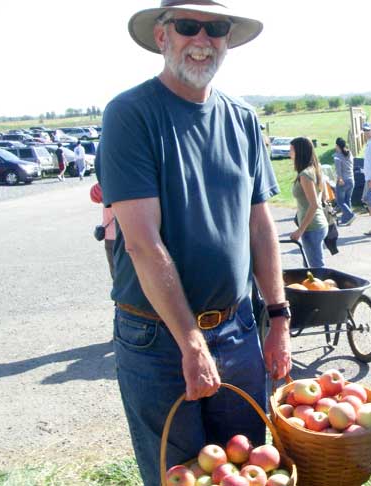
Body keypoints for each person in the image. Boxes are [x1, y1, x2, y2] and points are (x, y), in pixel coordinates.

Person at [95, 2, 291, 485]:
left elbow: (260, 224)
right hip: (158, 340)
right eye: (187, 26)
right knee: (180, 472)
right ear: (162, 36)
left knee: (244, 469)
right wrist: (191, 342)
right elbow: (142, 243)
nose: (202, 38)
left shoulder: (242, 118)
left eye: (216, 27)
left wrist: (280, 316)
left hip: (238, 328)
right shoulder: (131, 114)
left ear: (227, 39)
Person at [289, 136, 329, 267]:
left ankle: (325, 287)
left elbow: (314, 204)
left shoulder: (305, 175)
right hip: (317, 225)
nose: (289, 153)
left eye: (292, 150)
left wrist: (300, 230)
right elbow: (324, 196)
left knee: (316, 269)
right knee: (309, 267)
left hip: (312, 228)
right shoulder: (315, 169)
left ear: (299, 152)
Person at [90, 182, 116, 279]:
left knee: (117, 278)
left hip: (111, 236)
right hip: (124, 235)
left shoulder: (108, 180)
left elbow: (94, 194)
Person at [333, 137, 355, 226]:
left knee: (340, 201)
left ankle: (350, 215)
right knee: (347, 200)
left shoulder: (337, 156)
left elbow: (338, 170)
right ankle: (347, 220)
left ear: (337, 146)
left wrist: (340, 179)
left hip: (343, 181)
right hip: (351, 180)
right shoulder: (350, 153)